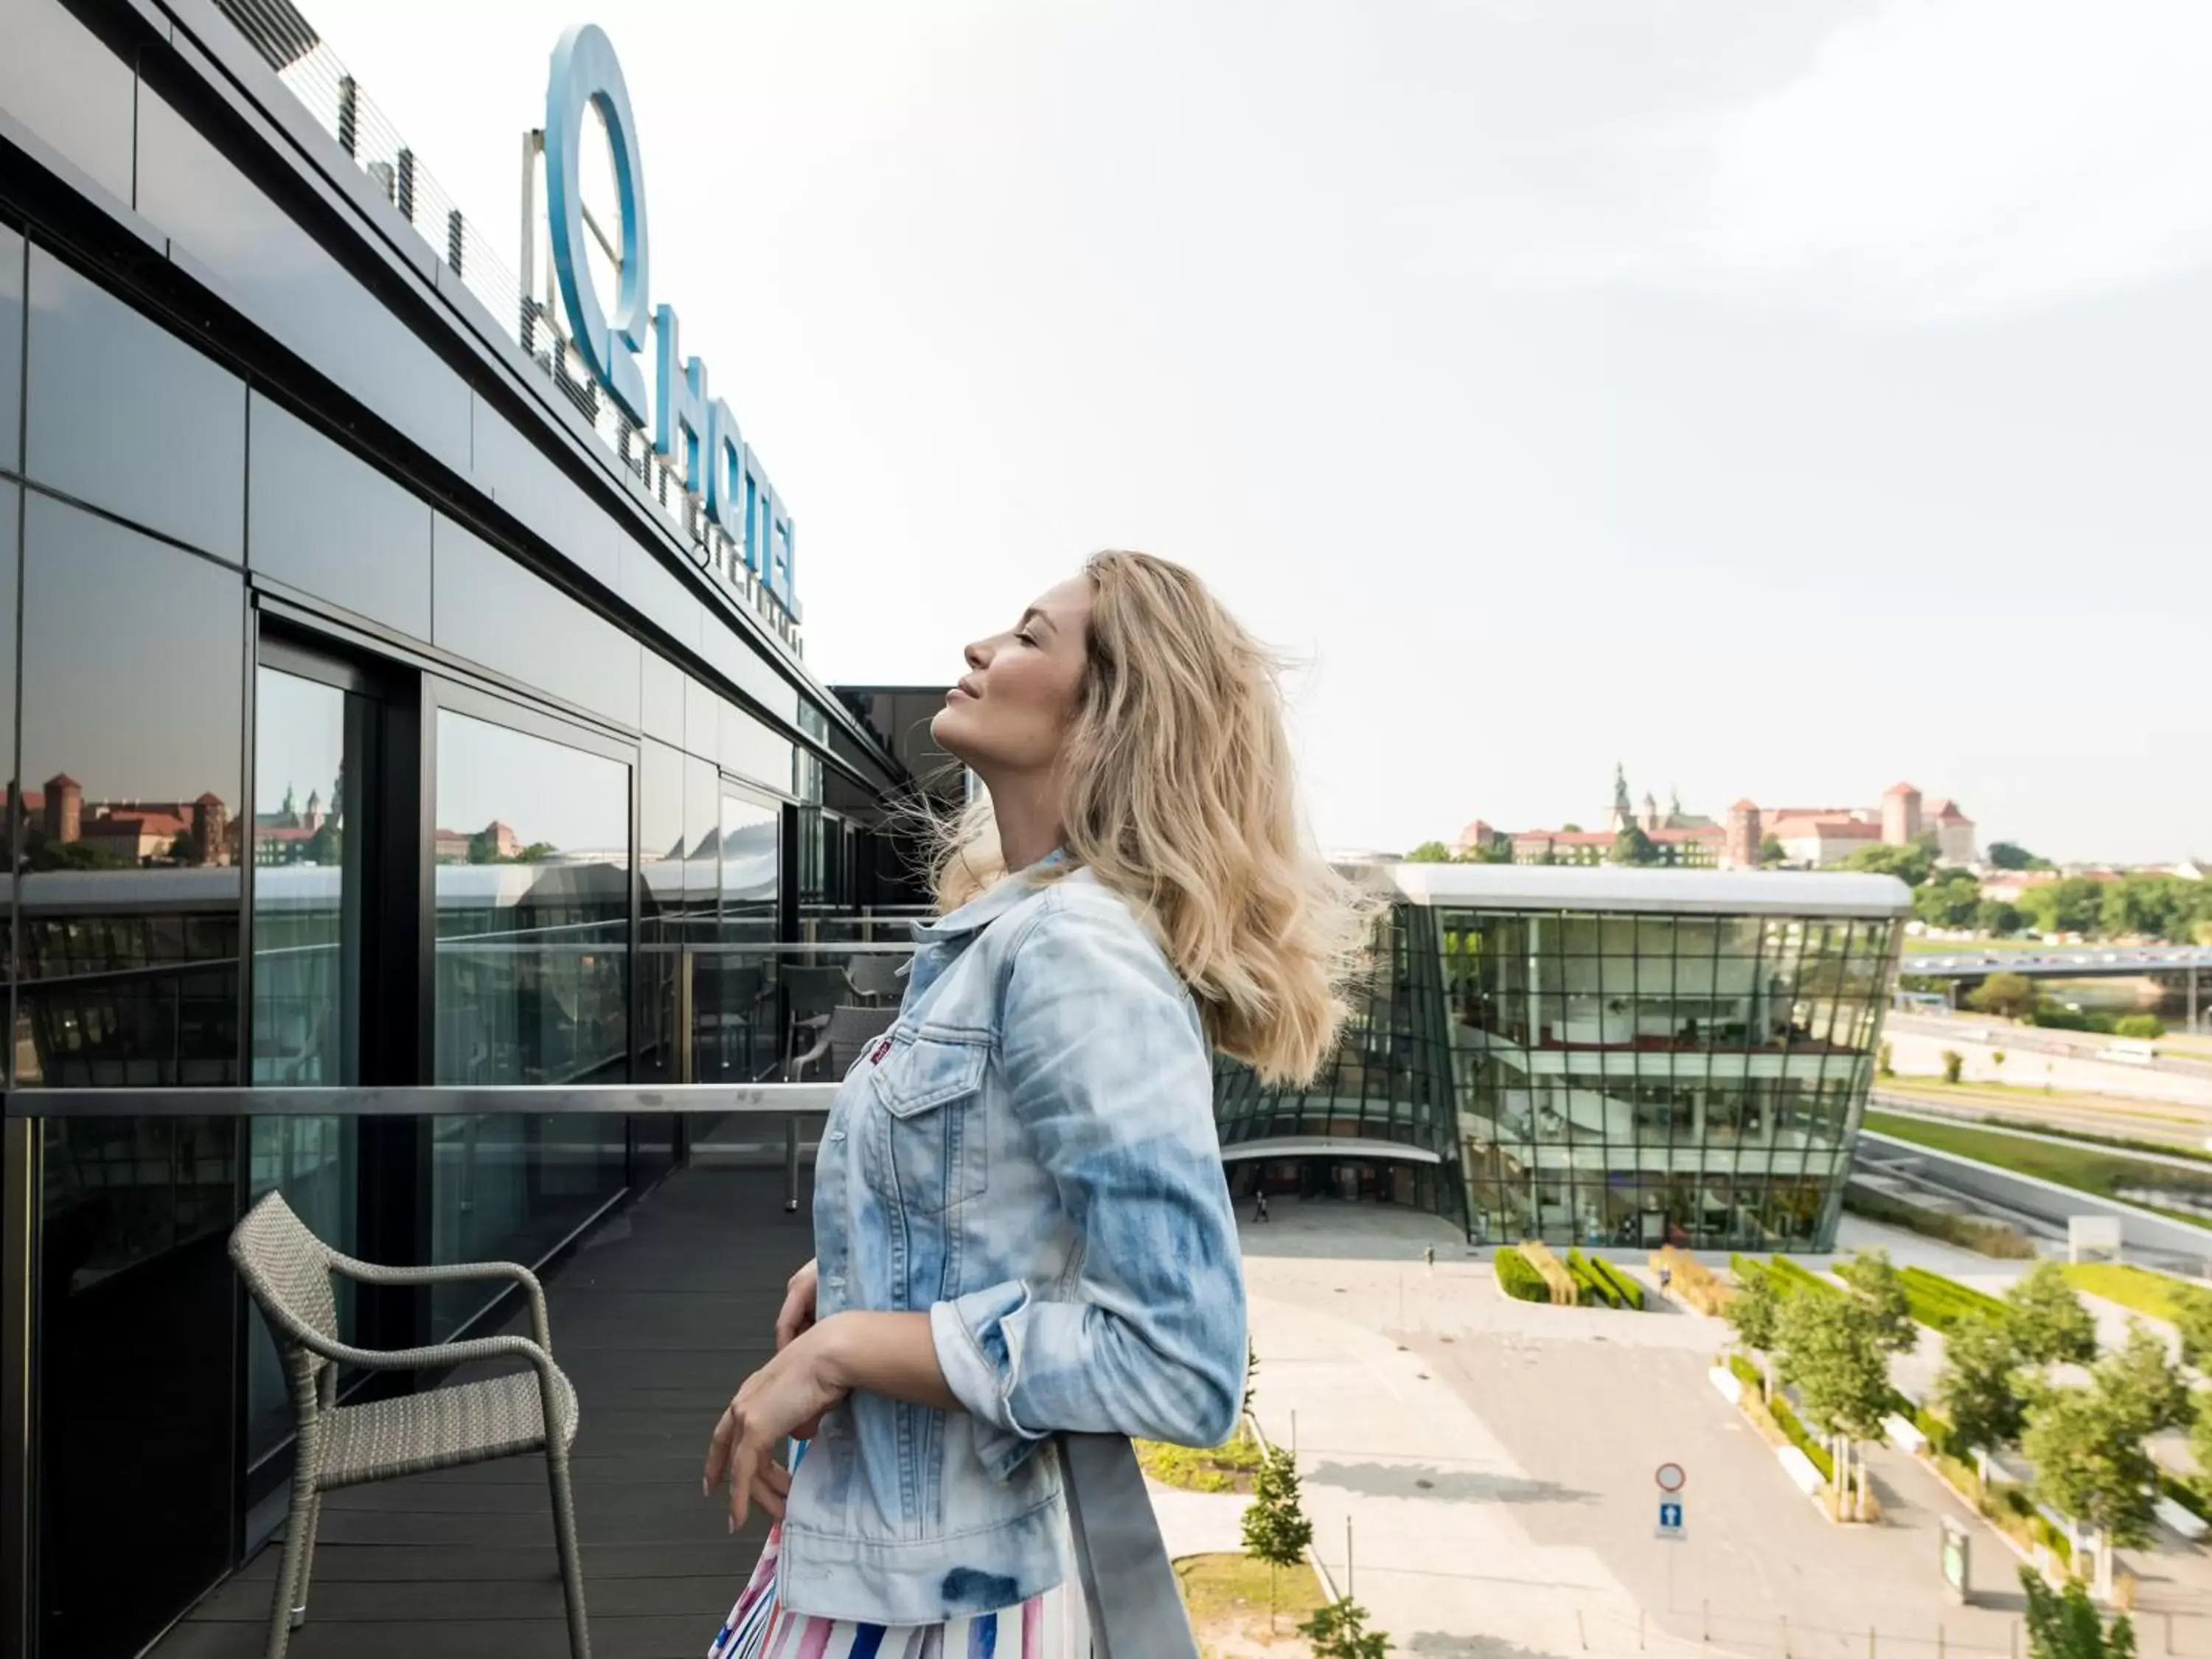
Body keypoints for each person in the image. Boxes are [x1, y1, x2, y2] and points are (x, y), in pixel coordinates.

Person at [702, 550, 1369, 1652]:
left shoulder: (1075, 949)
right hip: (883, 1564)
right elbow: (1006, 1195)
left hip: (942, 1609)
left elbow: (1181, 1360)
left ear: (1113, 716)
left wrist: (847, 1347)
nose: (978, 648)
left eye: (1026, 635)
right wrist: (872, 1260)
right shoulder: (1002, 937)